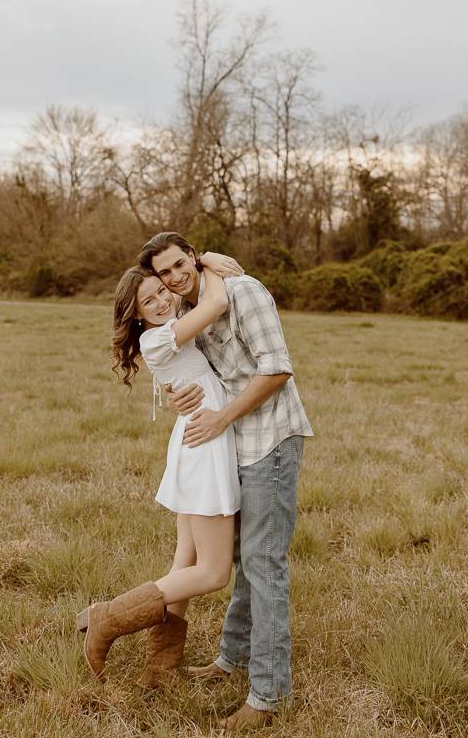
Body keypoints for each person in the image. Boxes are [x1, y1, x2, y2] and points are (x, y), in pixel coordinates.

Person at [138, 233, 314, 730]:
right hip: (229, 442)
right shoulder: (188, 310)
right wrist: (176, 397)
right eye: (165, 273)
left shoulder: (244, 291)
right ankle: (231, 659)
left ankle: (268, 695)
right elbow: (184, 367)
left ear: (192, 256)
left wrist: (219, 418)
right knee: (241, 557)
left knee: (263, 562)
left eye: (180, 265)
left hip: (270, 439)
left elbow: (277, 368)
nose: (175, 278)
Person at [76, 256, 242, 687]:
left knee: (185, 560)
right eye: (148, 300)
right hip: (203, 445)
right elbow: (218, 301)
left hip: (200, 439)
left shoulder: (169, 327)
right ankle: (106, 618)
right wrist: (204, 262)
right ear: (135, 313)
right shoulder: (158, 339)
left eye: (162, 291)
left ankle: (159, 669)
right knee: (213, 572)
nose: (161, 300)